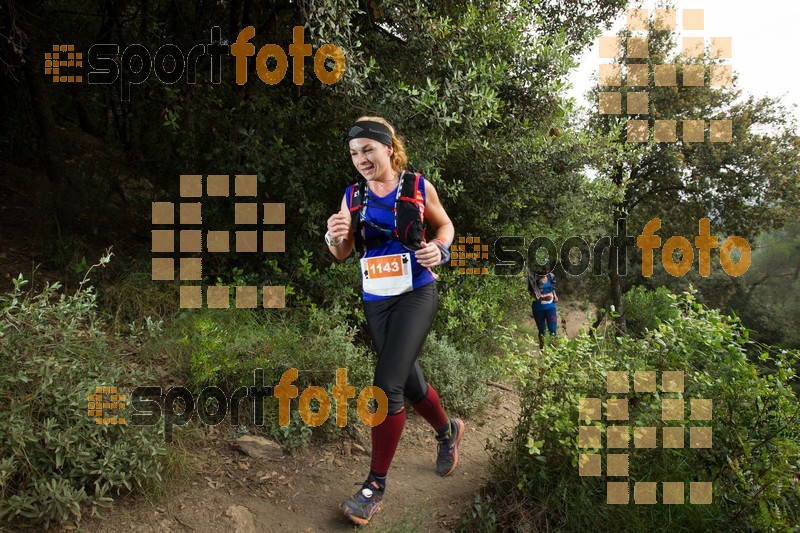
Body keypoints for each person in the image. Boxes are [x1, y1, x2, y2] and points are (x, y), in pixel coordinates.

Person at [326, 116, 464, 526]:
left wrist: (440, 247)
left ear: (389, 148)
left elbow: (445, 225)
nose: (361, 159)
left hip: (417, 293)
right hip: (377, 301)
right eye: (354, 153)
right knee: (409, 381)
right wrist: (334, 236)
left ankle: (374, 487)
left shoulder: (418, 187)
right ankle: (448, 431)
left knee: (387, 386)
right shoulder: (352, 196)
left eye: (368, 149)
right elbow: (342, 252)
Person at [528, 259, 559, 349]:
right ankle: (543, 351)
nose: (545, 272)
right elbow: (531, 295)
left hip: (551, 306)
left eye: (547, 269)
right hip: (538, 308)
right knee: (542, 331)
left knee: (553, 330)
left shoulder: (551, 276)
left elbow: (552, 287)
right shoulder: (533, 279)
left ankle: (554, 352)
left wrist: (555, 296)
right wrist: (543, 298)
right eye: (543, 270)